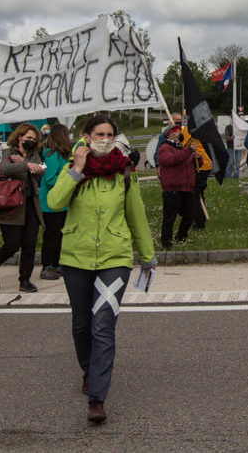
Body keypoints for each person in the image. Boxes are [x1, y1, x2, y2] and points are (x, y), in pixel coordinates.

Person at [46, 114, 157, 424]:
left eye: (110, 134)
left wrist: (147, 256)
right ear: (85, 136)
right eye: (99, 134)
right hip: (76, 258)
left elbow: (136, 214)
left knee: (103, 324)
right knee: (82, 324)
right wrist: (77, 171)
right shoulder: (73, 167)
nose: (105, 139)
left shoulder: (124, 170)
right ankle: (87, 369)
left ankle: (97, 397)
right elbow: (54, 203)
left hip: (114, 258)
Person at [0, 123, 45, 293]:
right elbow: (4, 168)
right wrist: (26, 165)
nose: (31, 141)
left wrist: (26, 162)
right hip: (11, 203)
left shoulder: (34, 154)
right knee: (12, 244)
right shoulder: (9, 151)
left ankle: (24, 279)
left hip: (30, 204)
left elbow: (41, 169)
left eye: (34, 139)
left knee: (30, 244)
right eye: (28, 138)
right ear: (20, 137)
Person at [38, 124, 72, 280]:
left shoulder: (62, 155)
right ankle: (47, 265)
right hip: (50, 204)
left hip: (62, 202)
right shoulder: (52, 156)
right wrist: (69, 178)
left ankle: (56, 263)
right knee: (51, 236)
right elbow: (51, 179)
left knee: (59, 235)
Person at [156, 116, 196, 249]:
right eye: (175, 132)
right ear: (169, 135)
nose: (178, 133)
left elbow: (190, 163)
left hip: (186, 187)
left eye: (179, 131)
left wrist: (197, 158)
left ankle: (181, 237)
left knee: (189, 215)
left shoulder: (181, 148)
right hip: (172, 188)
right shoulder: (165, 148)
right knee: (169, 218)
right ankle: (166, 243)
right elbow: (171, 161)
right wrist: (188, 151)